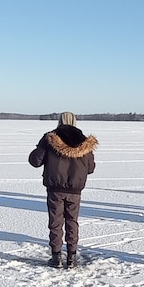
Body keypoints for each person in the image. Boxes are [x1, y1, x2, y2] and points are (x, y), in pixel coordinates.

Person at [28, 112, 98, 268]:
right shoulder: (85, 142)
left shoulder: (50, 139)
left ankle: (56, 257)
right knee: (72, 221)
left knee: (55, 222)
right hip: (75, 190)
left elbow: (35, 161)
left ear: (59, 121)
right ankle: (72, 258)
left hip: (55, 189)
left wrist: (41, 147)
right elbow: (91, 168)